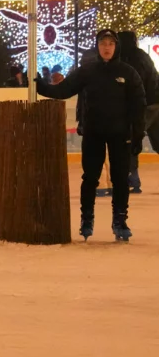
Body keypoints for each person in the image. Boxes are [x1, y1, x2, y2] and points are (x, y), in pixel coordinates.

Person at [36, 29, 145, 242]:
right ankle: (87, 219)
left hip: (120, 134)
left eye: (110, 44)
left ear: (116, 47)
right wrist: (41, 86)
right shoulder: (87, 71)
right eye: (103, 43)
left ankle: (120, 220)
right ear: (97, 46)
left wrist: (138, 134)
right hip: (93, 131)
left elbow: (138, 105)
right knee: (90, 178)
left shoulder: (128, 72)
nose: (106, 47)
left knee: (120, 179)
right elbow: (64, 90)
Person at [116, 31, 159, 194]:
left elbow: (134, 85)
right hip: (156, 103)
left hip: (143, 106)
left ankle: (132, 178)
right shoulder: (143, 56)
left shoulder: (128, 59)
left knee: (131, 139)